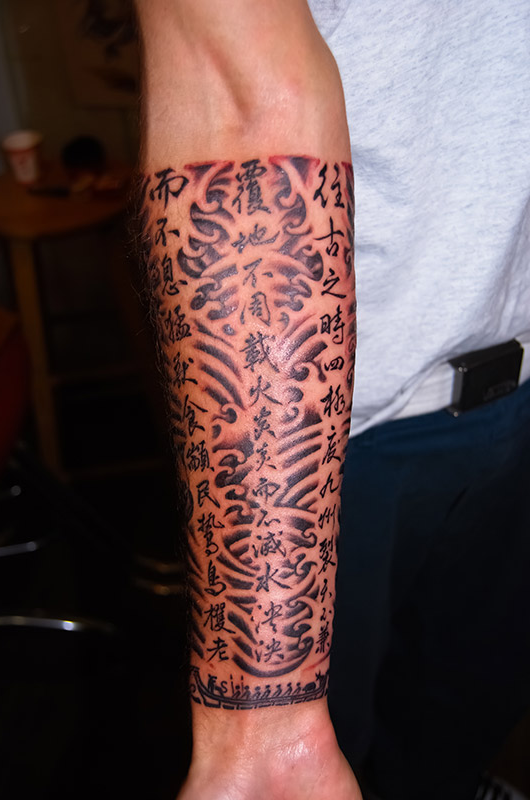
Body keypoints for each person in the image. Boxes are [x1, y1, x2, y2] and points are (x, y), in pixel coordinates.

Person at [134, 2, 530, 799]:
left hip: (518, 394)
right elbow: (239, 109)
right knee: (331, 744)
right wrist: (264, 719)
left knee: (465, 707)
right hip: (335, 441)